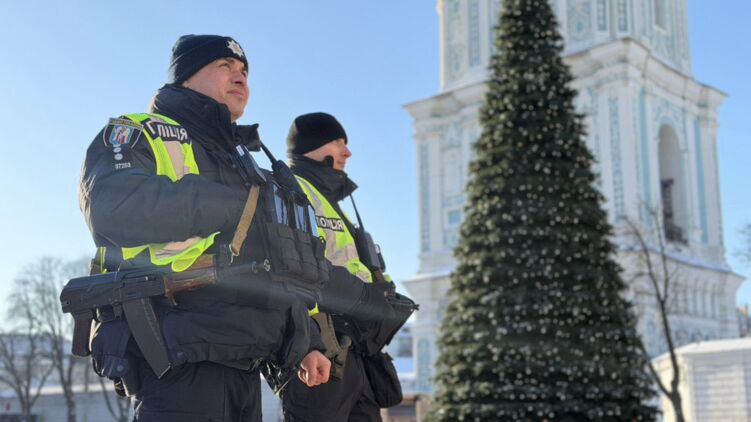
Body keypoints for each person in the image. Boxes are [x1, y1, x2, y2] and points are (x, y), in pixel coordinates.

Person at [77, 35, 330, 422]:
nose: (240, 78)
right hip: (179, 358)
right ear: (186, 76)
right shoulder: (138, 130)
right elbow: (114, 206)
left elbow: (275, 264)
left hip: (247, 363)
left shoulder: (247, 162)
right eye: (224, 66)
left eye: (244, 71)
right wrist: (233, 204)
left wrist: (307, 343)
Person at [280, 112, 407, 422]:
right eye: (338, 142)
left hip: (356, 351)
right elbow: (293, 271)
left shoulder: (332, 201)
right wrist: (307, 342)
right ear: (312, 145)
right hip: (320, 352)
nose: (347, 152)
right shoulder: (290, 189)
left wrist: (385, 295)